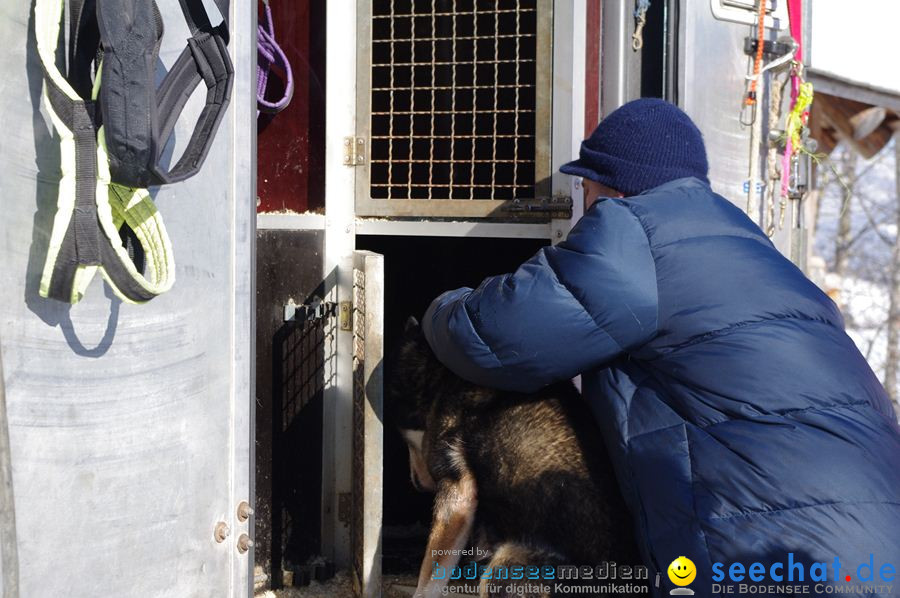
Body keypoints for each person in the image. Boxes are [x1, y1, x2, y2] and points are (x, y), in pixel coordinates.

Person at [421, 98, 900, 595]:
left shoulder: (633, 235)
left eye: (585, 188)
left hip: (773, 543)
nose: (584, 204)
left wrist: (439, 305)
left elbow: (492, 337)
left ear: (612, 187)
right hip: (873, 546)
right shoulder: (748, 246)